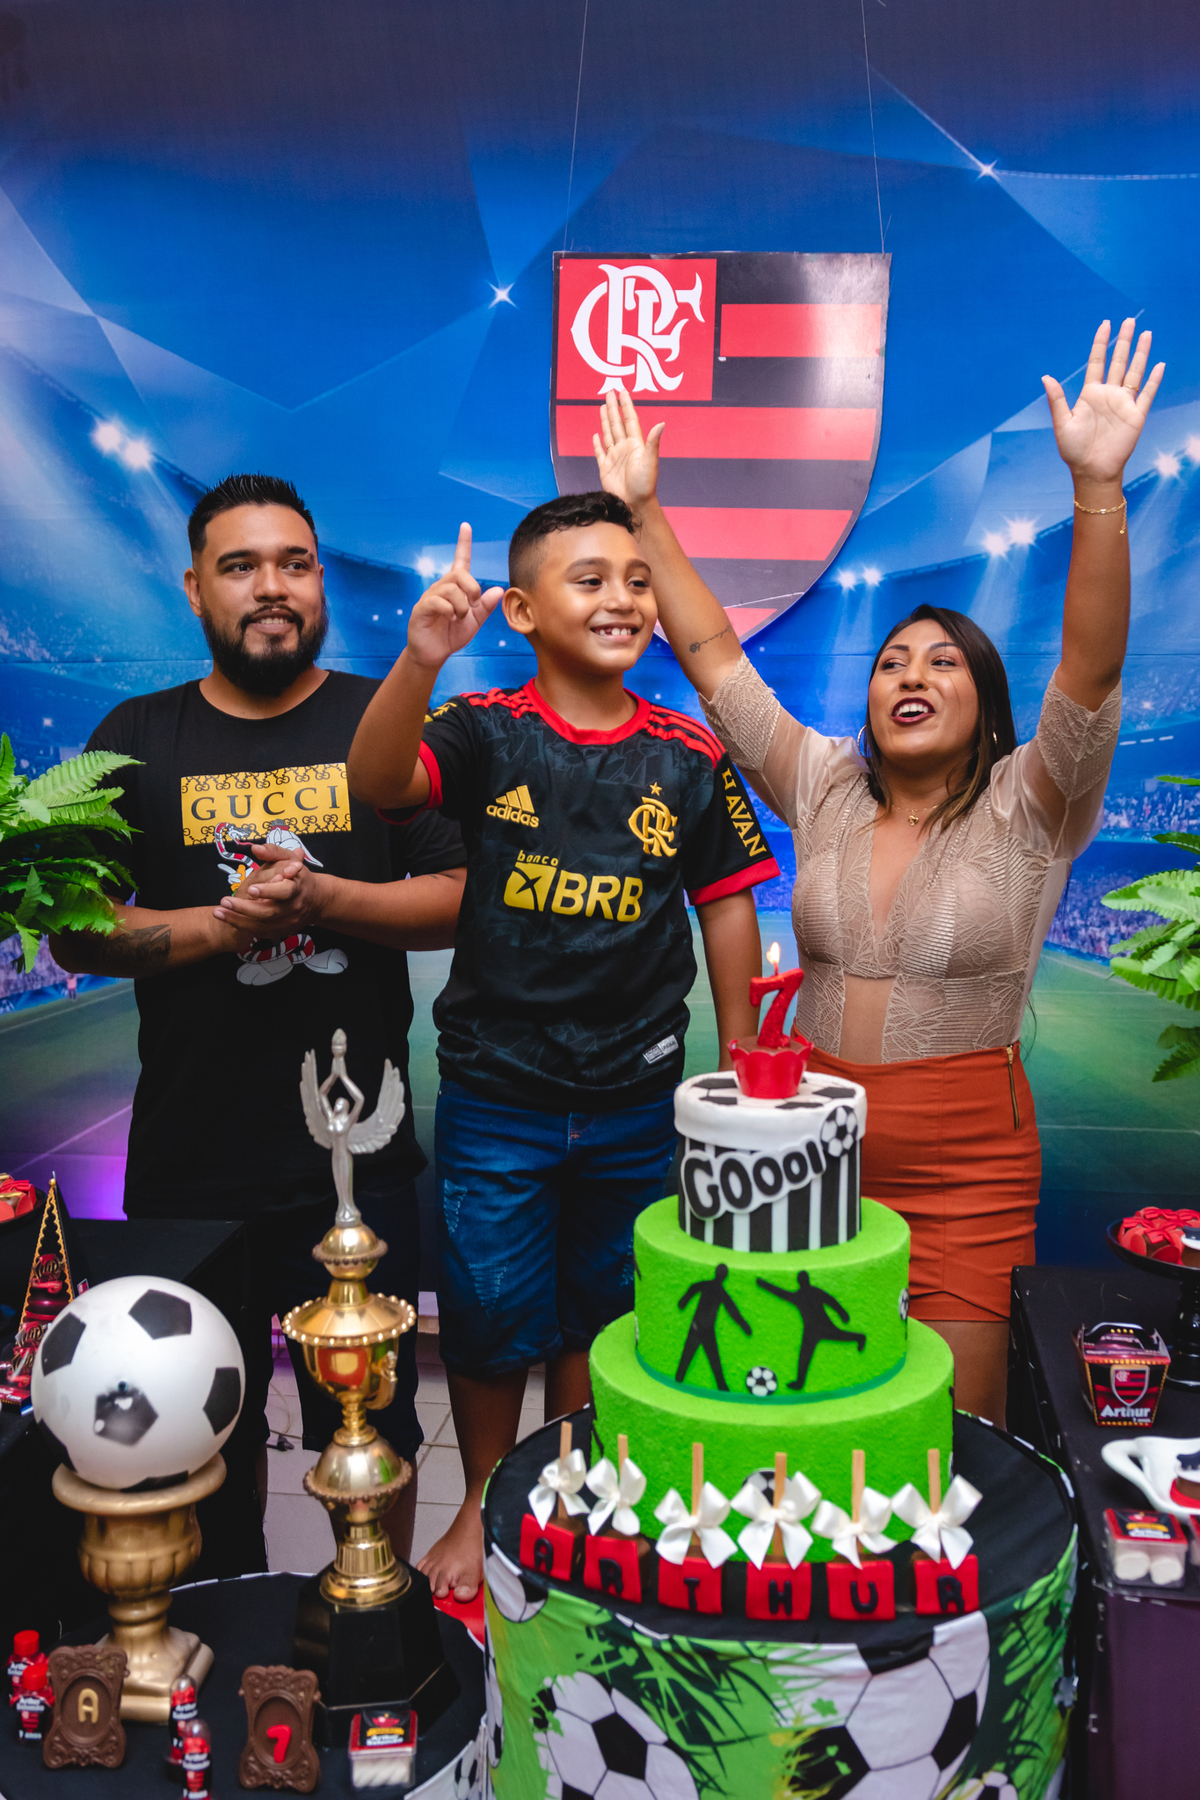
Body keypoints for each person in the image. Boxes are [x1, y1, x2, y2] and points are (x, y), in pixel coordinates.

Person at [593, 318, 1164, 1425]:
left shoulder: (1036, 799)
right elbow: (714, 662)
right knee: (798, 1416)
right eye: (893, 661)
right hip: (804, 1149)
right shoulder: (823, 785)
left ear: (986, 706)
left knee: (950, 1432)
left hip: (969, 1168)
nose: (911, 674)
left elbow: (1092, 671)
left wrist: (1098, 485)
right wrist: (646, 514)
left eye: (944, 662)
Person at [347, 490, 780, 1597]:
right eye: (590, 580)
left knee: (603, 1308)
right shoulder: (482, 728)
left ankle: (573, 1490)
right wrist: (420, 660)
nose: (623, 598)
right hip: (499, 1095)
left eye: (638, 580)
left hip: (638, 1099)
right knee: (489, 1316)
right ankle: (486, 1496)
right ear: (524, 611)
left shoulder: (689, 754)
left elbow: (728, 901)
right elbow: (380, 783)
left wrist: (739, 1058)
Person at [50, 473, 467, 1562]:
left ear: (320, 580)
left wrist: (322, 900)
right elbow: (76, 930)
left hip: (355, 1159)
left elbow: (458, 896)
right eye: (240, 566)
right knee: (186, 1437)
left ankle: (370, 1624)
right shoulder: (134, 735)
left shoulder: (383, 721)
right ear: (196, 589)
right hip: (192, 1162)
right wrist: (223, 926)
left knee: (374, 1434)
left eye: (294, 563)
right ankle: (220, 1624)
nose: (271, 587)